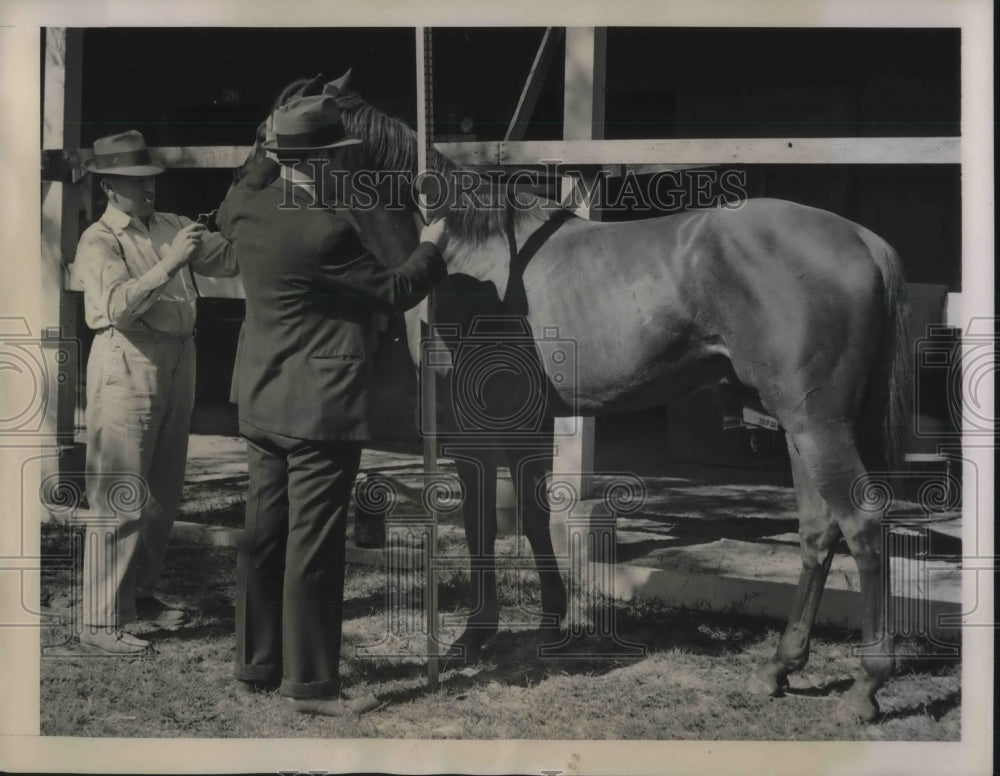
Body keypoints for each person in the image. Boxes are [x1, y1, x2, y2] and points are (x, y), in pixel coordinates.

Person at [216, 94, 447, 715]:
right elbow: (397, 288)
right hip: (321, 410)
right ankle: (311, 686)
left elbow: (244, 183)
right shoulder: (327, 230)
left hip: (262, 398)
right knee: (312, 548)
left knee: (264, 537)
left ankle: (257, 664)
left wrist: (270, 148)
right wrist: (434, 243)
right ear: (319, 161)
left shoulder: (243, 210)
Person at [76, 130, 239, 654]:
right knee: (121, 492)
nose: (149, 192)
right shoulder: (99, 239)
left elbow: (229, 260)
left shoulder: (169, 225)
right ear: (108, 186)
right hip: (127, 358)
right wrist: (170, 263)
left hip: (178, 358)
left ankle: (138, 597)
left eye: (151, 182)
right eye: (136, 183)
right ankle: (99, 621)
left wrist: (246, 214)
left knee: (162, 493)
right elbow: (118, 306)